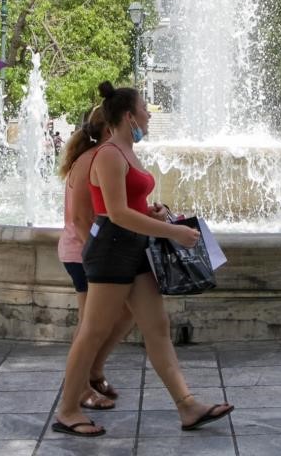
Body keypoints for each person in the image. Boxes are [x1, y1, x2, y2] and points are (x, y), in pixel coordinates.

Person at [53, 81, 233, 437]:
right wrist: (174, 233)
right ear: (127, 115)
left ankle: (187, 405)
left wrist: (154, 212)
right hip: (111, 249)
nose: (150, 114)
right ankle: (67, 410)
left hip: (134, 248)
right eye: (145, 109)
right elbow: (115, 213)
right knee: (92, 332)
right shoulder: (108, 154)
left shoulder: (126, 152)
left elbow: (127, 205)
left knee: (157, 327)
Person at [57, 106, 135, 411]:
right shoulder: (90, 160)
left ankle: (94, 370)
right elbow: (79, 218)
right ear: (109, 129)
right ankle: (81, 389)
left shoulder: (102, 157)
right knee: (90, 323)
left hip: (92, 252)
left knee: (126, 312)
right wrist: (98, 255)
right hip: (82, 253)